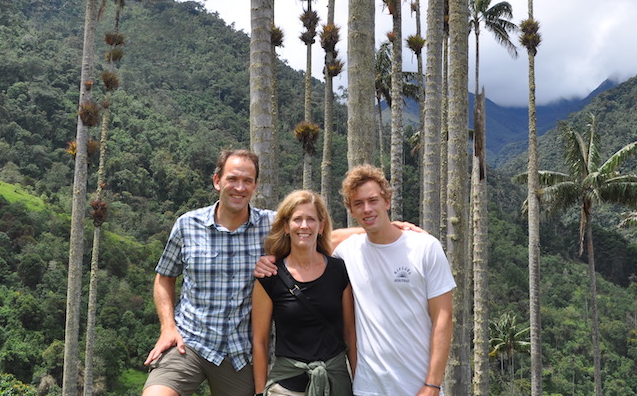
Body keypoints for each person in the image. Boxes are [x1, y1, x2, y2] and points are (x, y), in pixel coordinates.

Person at [142, 148, 272, 396]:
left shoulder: (271, 226)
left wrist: (368, 233)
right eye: (232, 179)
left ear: (255, 186)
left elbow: (315, 231)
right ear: (217, 181)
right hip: (189, 342)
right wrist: (168, 327)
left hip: (240, 353)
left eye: (247, 181)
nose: (239, 187)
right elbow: (164, 277)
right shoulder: (188, 225)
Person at [334, 164, 455, 396]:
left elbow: (443, 317)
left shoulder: (425, 247)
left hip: (418, 386)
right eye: (358, 204)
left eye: (373, 201)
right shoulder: (347, 252)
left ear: (387, 201)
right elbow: (314, 235)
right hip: (368, 388)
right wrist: (363, 230)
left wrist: (432, 384)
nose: (367, 209)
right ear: (351, 211)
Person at [252, 190, 356, 396]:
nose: (304, 226)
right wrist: (259, 391)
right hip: (286, 387)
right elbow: (260, 341)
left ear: (321, 226)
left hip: (335, 384)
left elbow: (350, 333)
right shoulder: (269, 276)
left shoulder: (339, 270)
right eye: (297, 219)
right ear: (286, 226)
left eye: (311, 219)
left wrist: (359, 381)